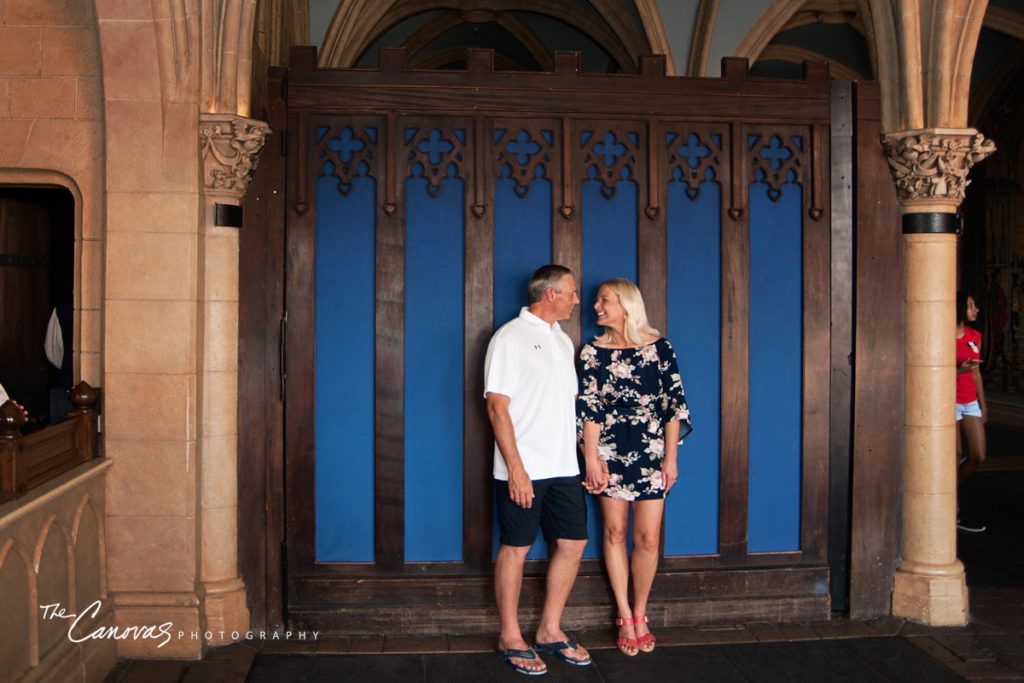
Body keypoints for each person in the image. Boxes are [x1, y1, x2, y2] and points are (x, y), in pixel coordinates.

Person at [484, 264, 591, 676]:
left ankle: (549, 630)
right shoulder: (509, 338)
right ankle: (510, 635)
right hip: (523, 467)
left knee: (573, 543)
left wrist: (587, 457)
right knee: (516, 546)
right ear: (550, 294)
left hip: (564, 466)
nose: (576, 300)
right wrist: (516, 469)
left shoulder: (562, 341)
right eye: (572, 292)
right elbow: (497, 406)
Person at [577, 278, 692, 656]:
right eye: (596, 301)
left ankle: (641, 611)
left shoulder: (660, 349)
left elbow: (673, 407)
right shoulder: (591, 353)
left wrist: (671, 459)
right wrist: (591, 459)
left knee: (647, 538)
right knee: (614, 532)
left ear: (626, 305)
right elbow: (589, 411)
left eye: (603, 300)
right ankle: (624, 615)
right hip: (608, 452)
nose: (596, 306)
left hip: (651, 453)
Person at [955, 291, 987, 533]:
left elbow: (975, 374)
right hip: (948, 402)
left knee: (977, 455)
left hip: (969, 401)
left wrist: (983, 405)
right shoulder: (944, 337)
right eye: (970, 306)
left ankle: (946, 493)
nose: (975, 310)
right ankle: (952, 510)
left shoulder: (976, 336)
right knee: (954, 456)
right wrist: (957, 370)